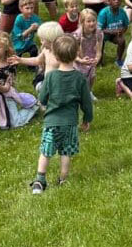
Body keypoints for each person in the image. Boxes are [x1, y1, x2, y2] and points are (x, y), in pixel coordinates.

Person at [30, 35, 93, 193]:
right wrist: (87, 119)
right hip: (70, 123)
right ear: (76, 54)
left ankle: (40, 180)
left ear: (56, 56)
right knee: (66, 152)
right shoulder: (80, 78)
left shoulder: (50, 77)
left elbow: (42, 98)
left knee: (46, 151)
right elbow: (87, 103)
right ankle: (63, 179)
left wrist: (44, 103)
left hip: (52, 123)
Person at [0, 32, 39, 130]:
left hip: (6, 94)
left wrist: (0, 88)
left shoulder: (11, 64)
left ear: (6, 48)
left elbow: (7, 87)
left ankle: (33, 107)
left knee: (15, 123)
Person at [97, 0, 129, 67]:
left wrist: (122, 31)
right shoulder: (103, 13)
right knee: (100, 40)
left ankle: (119, 60)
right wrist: (110, 31)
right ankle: (99, 59)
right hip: (103, 34)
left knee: (122, 40)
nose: (116, 1)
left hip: (115, 35)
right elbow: (98, 29)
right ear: (109, 1)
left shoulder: (122, 12)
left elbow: (126, 25)